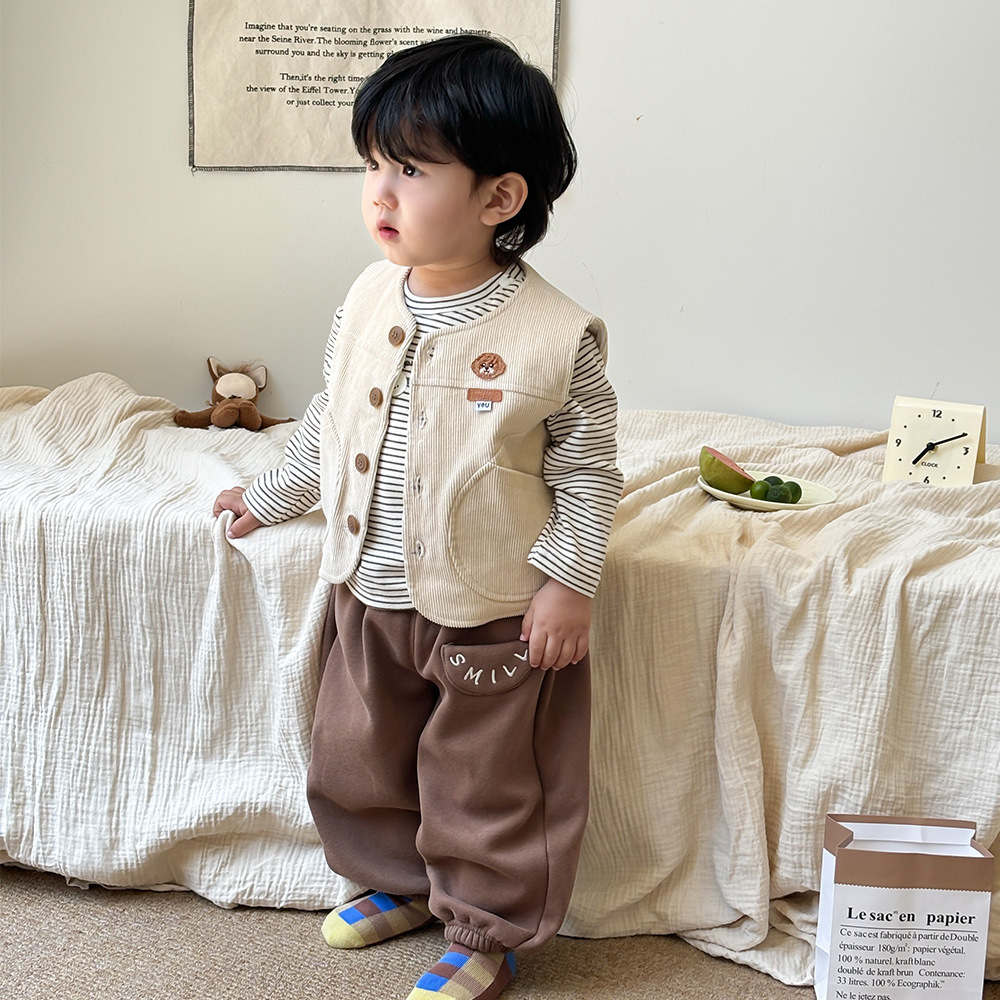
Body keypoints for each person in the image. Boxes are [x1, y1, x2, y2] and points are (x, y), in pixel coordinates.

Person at [213, 33, 623, 1000]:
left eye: (409, 168)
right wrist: (273, 497)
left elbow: (593, 471)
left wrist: (568, 583)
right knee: (357, 753)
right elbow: (327, 413)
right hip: (368, 587)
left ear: (498, 198)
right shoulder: (366, 296)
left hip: (486, 606)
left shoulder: (554, 336)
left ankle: (484, 930)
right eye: (371, 166)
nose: (379, 193)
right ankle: (395, 882)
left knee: (483, 781)